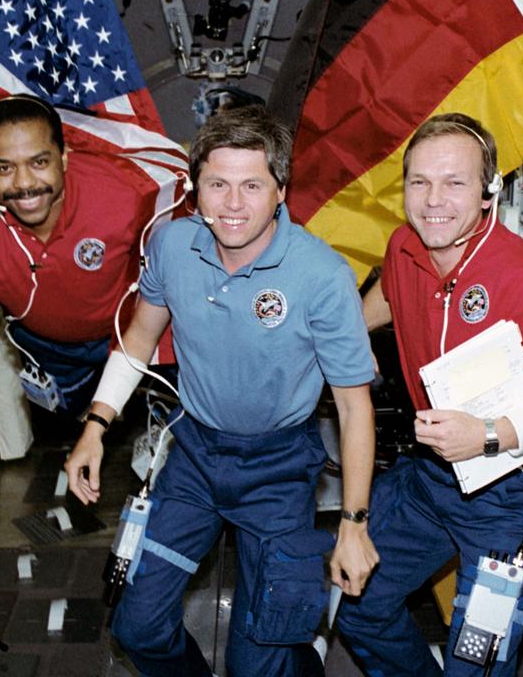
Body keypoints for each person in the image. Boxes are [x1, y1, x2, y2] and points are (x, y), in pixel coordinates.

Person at [65, 105, 380, 676]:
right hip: (195, 459)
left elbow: (355, 409)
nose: (233, 205)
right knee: (137, 628)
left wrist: (354, 525)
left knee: (258, 662)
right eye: (218, 184)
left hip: (279, 470)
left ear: (281, 190)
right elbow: (137, 341)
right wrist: (96, 426)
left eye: (252, 185)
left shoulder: (320, 276)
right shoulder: (170, 246)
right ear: (195, 187)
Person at [337, 114, 523, 677]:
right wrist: (342, 339)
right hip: (430, 478)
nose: (433, 200)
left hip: (510, 495)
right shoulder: (404, 247)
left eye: (454, 183)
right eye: (419, 182)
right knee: (357, 609)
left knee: (477, 667)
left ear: (489, 193)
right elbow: (393, 298)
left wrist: (489, 436)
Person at [0, 94, 160, 434]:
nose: (23, 184)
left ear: (63, 158)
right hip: (50, 349)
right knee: (73, 426)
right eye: (4, 168)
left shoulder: (124, 194)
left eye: (39, 162)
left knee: (170, 415)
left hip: (133, 335)